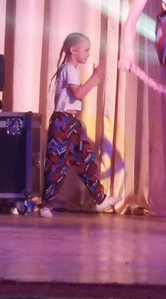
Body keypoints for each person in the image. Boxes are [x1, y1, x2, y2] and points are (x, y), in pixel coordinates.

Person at [38, 32, 121, 218]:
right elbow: (78, 94)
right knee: (56, 163)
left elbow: (78, 95)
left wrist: (93, 80)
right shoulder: (68, 69)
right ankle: (46, 205)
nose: (88, 54)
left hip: (72, 122)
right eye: (86, 50)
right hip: (62, 122)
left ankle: (99, 199)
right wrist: (93, 78)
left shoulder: (71, 71)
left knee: (86, 159)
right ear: (73, 50)